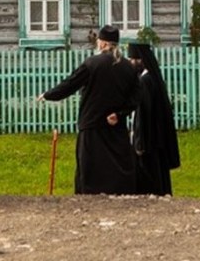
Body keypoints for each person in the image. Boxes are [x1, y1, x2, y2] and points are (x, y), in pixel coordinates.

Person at [37, 25, 140, 195]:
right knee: (117, 161)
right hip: (115, 123)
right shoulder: (128, 67)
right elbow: (135, 96)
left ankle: (89, 194)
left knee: (91, 163)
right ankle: (121, 192)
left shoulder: (92, 63)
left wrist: (48, 95)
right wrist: (121, 114)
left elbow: (70, 84)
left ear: (102, 44)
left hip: (92, 122)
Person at [127, 42, 180, 195]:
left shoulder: (145, 81)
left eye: (132, 59)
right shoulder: (151, 79)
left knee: (148, 175)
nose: (131, 63)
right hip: (155, 137)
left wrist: (139, 141)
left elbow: (143, 113)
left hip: (148, 139)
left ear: (140, 61)